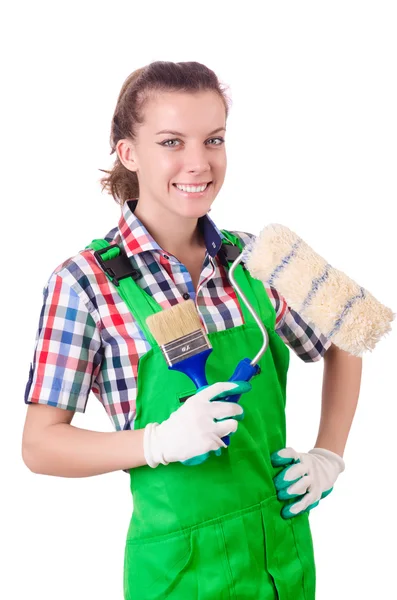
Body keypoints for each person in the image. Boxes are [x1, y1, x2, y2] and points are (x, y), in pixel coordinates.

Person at [22, 61, 362, 599]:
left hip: (280, 551)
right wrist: (156, 442)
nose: (198, 163)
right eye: (172, 142)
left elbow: (347, 332)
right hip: (179, 571)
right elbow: (40, 447)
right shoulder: (85, 282)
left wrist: (329, 454)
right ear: (128, 152)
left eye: (214, 139)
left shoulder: (257, 257)